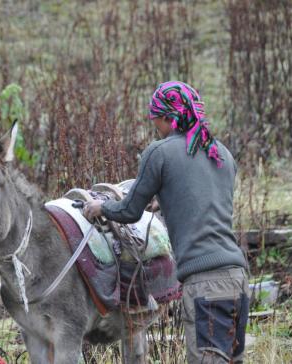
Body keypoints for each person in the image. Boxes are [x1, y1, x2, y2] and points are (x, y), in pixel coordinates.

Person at [84, 81, 250, 363]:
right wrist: (168, 197)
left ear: (167, 117)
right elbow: (207, 201)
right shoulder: (221, 152)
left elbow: (129, 211)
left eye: (156, 120)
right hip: (237, 277)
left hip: (204, 283)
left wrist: (101, 206)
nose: (155, 127)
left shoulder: (159, 152)